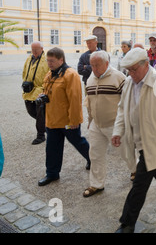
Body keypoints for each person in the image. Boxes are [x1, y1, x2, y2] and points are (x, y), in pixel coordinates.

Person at [112, 48, 156, 233]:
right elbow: (122, 109)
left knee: (140, 183)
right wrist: (118, 131)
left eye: (134, 69)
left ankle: (127, 223)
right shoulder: (128, 82)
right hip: (137, 138)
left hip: (154, 140)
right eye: (128, 70)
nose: (131, 73)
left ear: (146, 64)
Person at [83, 51, 137, 197]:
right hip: (96, 124)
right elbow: (89, 102)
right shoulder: (90, 78)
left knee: (125, 152)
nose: (94, 68)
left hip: (115, 124)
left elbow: (128, 103)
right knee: (95, 155)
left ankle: (135, 170)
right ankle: (96, 184)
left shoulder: (119, 77)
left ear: (106, 63)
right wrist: (90, 120)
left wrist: (127, 124)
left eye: (97, 65)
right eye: (92, 65)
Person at [38, 48, 90, 186]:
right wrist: (42, 96)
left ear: (61, 60)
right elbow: (47, 90)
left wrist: (74, 120)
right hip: (52, 119)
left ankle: (92, 159)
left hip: (67, 120)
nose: (49, 63)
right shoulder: (50, 74)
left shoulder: (70, 74)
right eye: (48, 60)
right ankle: (52, 174)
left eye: (52, 61)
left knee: (78, 142)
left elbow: (75, 99)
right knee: (52, 148)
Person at [22, 41, 49, 145]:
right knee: (30, 111)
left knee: (40, 113)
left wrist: (45, 89)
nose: (34, 52)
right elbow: (24, 71)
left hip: (40, 90)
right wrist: (25, 82)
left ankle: (40, 135)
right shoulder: (29, 58)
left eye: (36, 50)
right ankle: (47, 126)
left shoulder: (46, 59)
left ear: (42, 49)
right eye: (32, 50)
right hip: (28, 89)